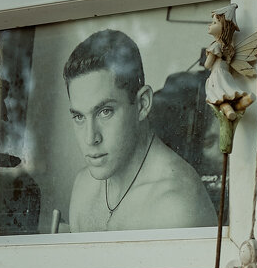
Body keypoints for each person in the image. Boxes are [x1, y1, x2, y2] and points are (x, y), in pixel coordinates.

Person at [63, 29, 214, 232]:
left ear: (142, 104)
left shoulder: (176, 205)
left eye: (105, 112)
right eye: (79, 117)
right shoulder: (83, 186)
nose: (91, 138)